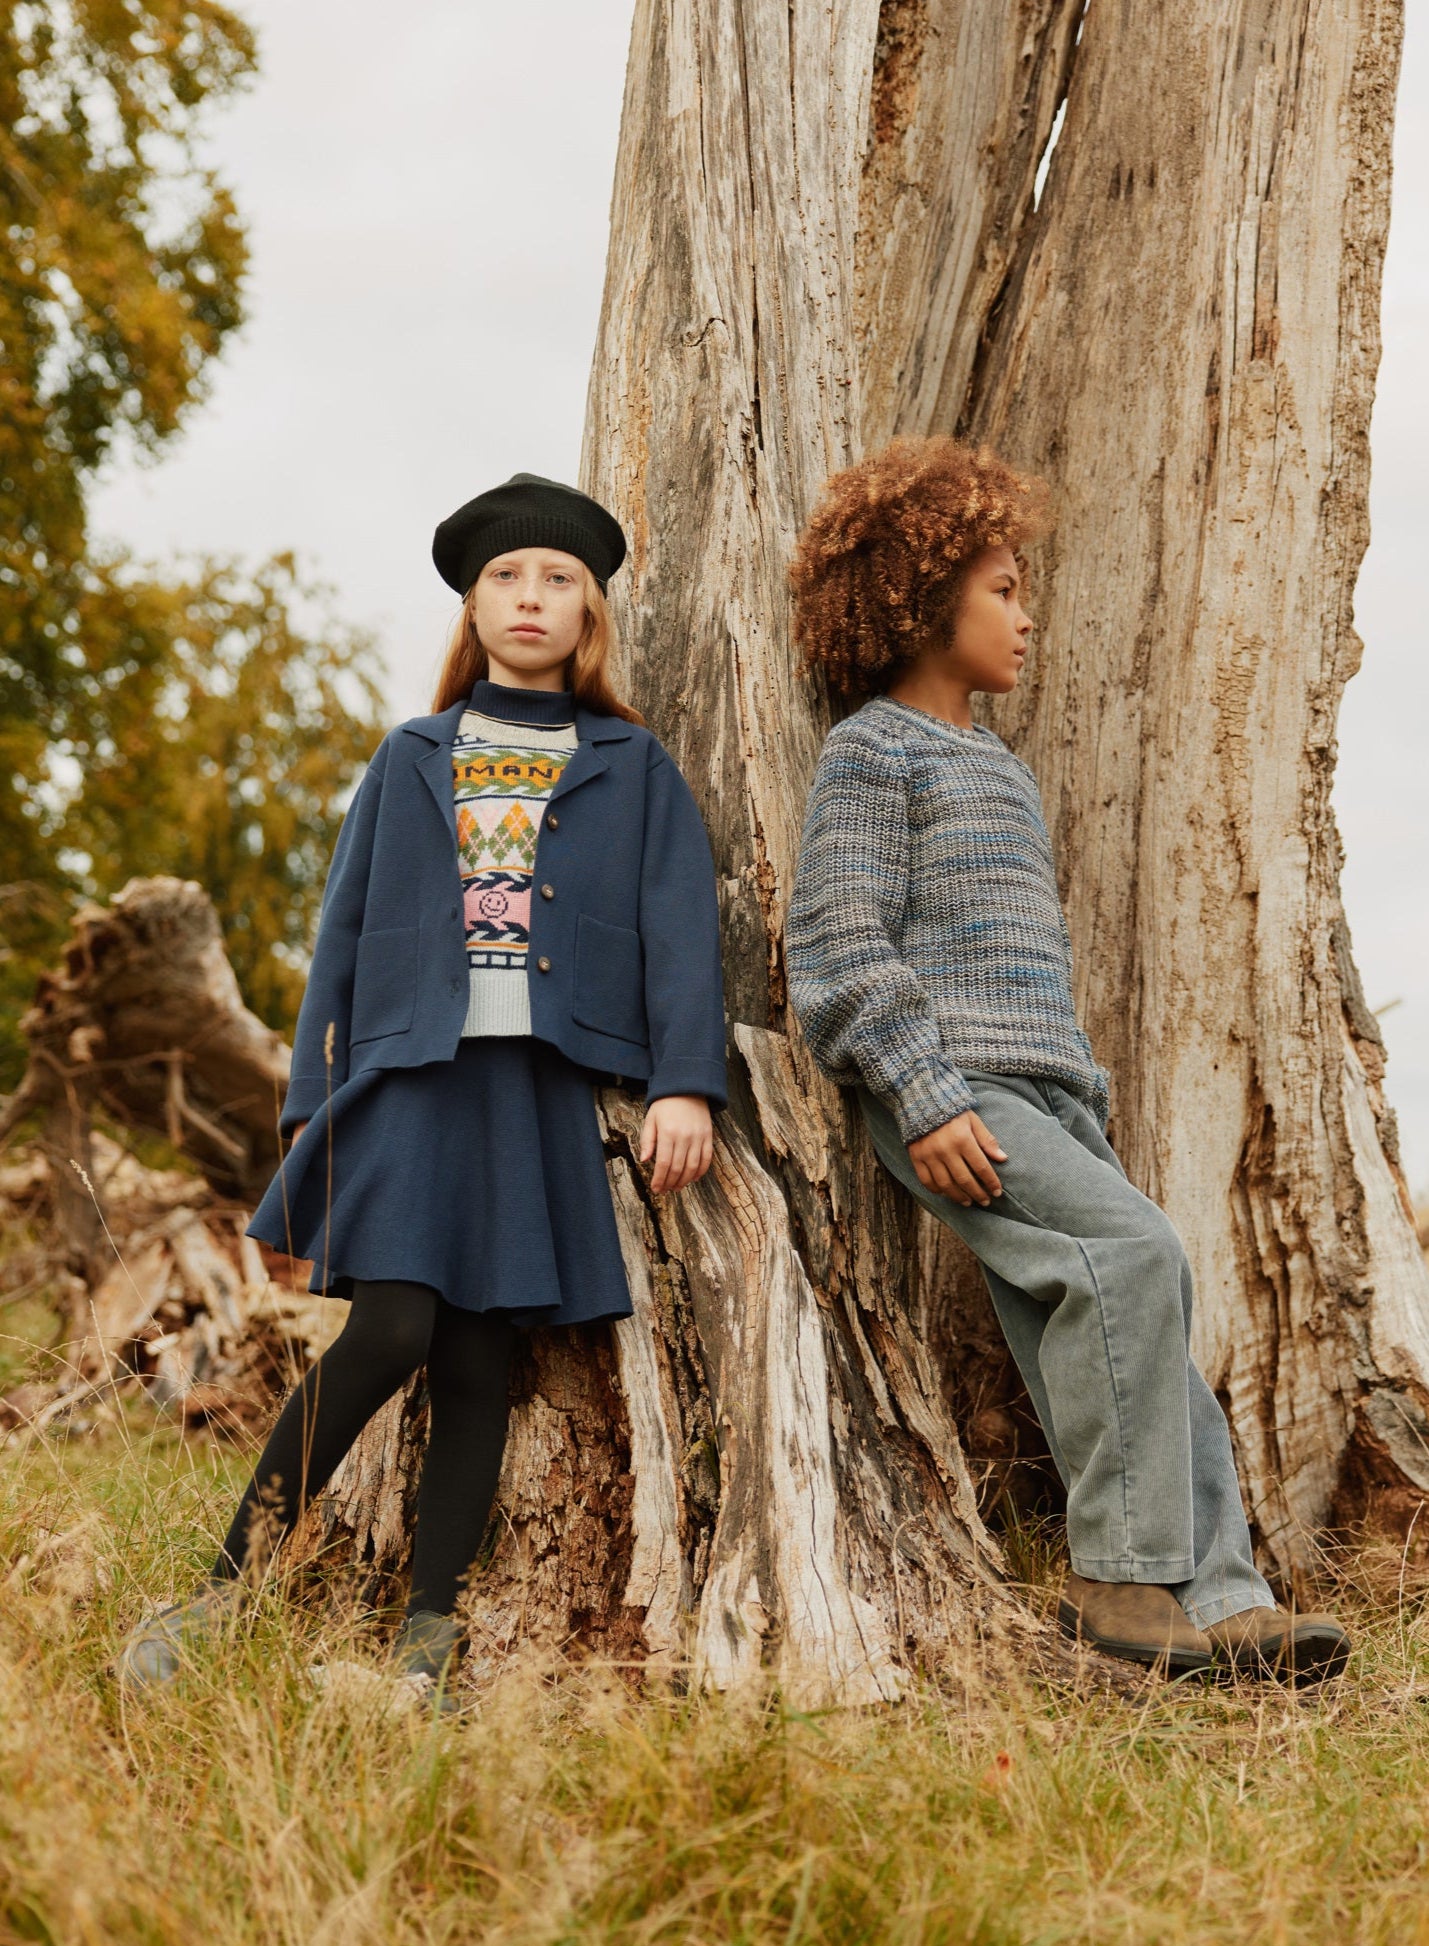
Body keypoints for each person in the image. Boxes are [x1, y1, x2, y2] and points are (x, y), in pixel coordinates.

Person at [121, 472, 727, 1702]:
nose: (531, 596)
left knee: (475, 1364)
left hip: (539, 1095)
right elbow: (341, 931)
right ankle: (225, 1588)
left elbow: (681, 932)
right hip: (409, 1082)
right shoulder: (412, 757)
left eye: (559, 578)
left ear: (589, 613)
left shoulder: (635, 763)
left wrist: (686, 1084)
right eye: (507, 576)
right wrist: (310, 1106)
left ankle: (429, 1639)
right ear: (473, 604)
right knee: (390, 1327)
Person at [783, 436, 1349, 1681]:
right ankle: (1117, 1579)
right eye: (1002, 589)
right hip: (954, 1091)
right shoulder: (872, 751)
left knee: (1129, 1304)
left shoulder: (994, 765)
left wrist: (1077, 1096)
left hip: (1047, 1094)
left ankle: (1219, 1594)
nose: (1024, 615)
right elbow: (833, 939)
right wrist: (923, 1093)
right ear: (922, 596)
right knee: (1132, 1256)